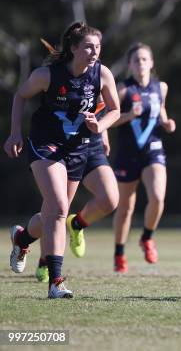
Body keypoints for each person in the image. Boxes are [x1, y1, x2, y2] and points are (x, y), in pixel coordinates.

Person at [5, 21, 120, 298]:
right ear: (73, 48)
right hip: (45, 145)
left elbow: (115, 110)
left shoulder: (102, 74)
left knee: (52, 212)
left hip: (78, 148)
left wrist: (100, 126)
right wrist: (14, 133)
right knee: (57, 208)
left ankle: (22, 238)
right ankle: (56, 283)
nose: (94, 52)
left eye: (98, 47)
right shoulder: (48, 75)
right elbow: (21, 96)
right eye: (88, 47)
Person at [34, 94, 119, 282]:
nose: (92, 62)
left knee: (110, 199)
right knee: (56, 210)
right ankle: (44, 259)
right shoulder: (67, 76)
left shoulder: (102, 77)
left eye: (96, 61)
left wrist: (104, 134)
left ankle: (77, 223)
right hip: (67, 147)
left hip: (93, 148)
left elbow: (106, 111)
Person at [111, 43, 176, 273]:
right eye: (136, 60)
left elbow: (162, 112)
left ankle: (147, 237)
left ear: (152, 62)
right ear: (130, 64)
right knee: (125, 208)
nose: (140, 64)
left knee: (158, 197)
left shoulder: (162, 87)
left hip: (153, 149)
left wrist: (167, 123)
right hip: (127, 153)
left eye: (144, 59)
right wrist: (128, 115)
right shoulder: (123, 89)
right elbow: (108, 118)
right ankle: (119, 252)